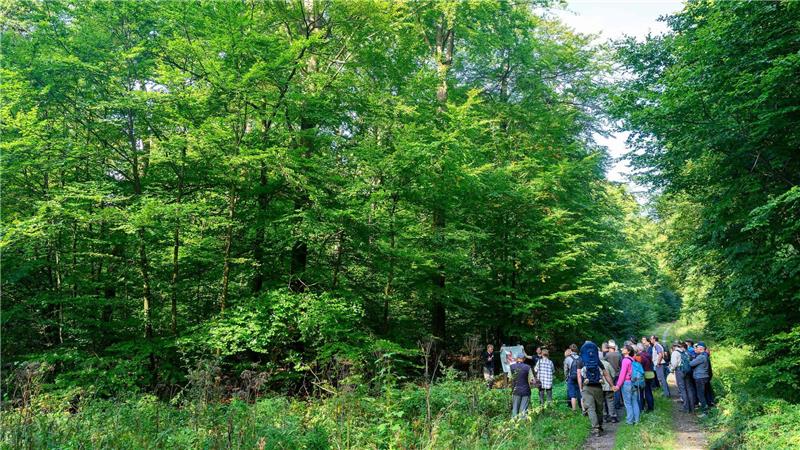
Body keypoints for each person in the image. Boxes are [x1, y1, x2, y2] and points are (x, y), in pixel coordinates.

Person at [578, 341, 616, 437]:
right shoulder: (597, 360)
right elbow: (606, 374)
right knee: (599, 408)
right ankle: (600, 426)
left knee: (591, 408)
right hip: (598, 386)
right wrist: (612, 385)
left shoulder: (581, 360)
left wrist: (580, 388)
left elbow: (579, 376)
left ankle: (596, 428)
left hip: (587, 387)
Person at [616, 344, 641, 425]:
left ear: (628, 351)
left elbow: (622, 374)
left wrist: (618, 385)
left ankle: (629, 421)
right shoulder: (632, 359)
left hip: (627, 383)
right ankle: (637, 420)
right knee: (634, 401)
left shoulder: (625, 360)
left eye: (624, 348)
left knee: (628, 403)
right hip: (634, 382)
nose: (622, 349)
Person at [690, 342, 711, 416]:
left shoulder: (701, 357)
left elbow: (691, 364)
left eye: (697, 348)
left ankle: (705, 412)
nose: (696, 349)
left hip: (700, 378)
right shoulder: (705, 355)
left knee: (700, 395)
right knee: (703, 394)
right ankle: (706, 408)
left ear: (701, 348)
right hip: (704, 377)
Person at [510, 353, 534, 419]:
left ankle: (513, 422)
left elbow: (510, 379)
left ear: (517, 359)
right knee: (523, 410)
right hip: (526, 391)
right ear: (524, 359)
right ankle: (522, 423)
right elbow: (532, 380)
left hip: (516, 390)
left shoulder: (511, 367)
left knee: (515, 409)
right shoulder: (528, 367)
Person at [600, 351, 619, 423]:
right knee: (610, 401)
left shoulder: (595, 364)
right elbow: (613, 374)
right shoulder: (607, 364)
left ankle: (604, 416)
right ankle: (613, 416)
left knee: (602, 402)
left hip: (600, 386)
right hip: (608, 386)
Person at [636, 345, 655, 412]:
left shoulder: (639, 356)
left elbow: (639, 367)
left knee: (641, 392)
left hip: (643, 375)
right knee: (648, 391)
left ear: (638, 349)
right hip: (650, 374)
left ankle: (641, 408)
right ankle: (651, 407)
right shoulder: (648, 355)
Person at [605, 340, 623, 410]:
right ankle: (617, 404)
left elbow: (605, 364)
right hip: (618, 374)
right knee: (617, 389)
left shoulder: (607, 355)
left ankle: (611, 405)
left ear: (610, 348)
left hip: (610, 375)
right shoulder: (619, 354)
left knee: (610, 389)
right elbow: (621, 364)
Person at [565, 344, 582, 412]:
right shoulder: (580, 358)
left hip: (571, 377)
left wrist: (566, 377)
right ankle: (583, 409)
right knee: (580, 392)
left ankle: (574, 410)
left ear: (570, 350)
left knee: (572, 394)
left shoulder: (567, 359)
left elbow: (566, 370)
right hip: (579, 377)